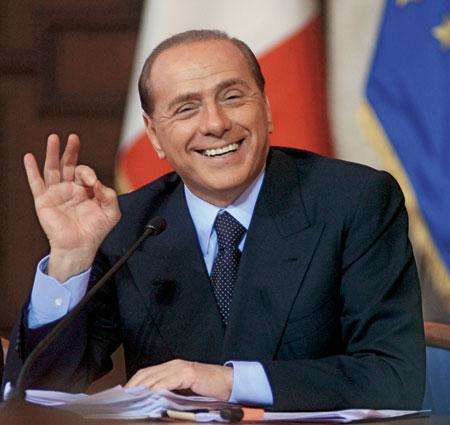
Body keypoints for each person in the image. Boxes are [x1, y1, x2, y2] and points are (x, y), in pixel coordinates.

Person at [2, 30, 425, 411]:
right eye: (186, 108)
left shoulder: (354, 202)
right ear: (154, 135)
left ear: (267, 109)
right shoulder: (129, 226)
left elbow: (394, 376)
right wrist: (70, 259)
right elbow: (39, 391)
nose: (216, 124)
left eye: (233, 97)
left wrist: (229, 381)